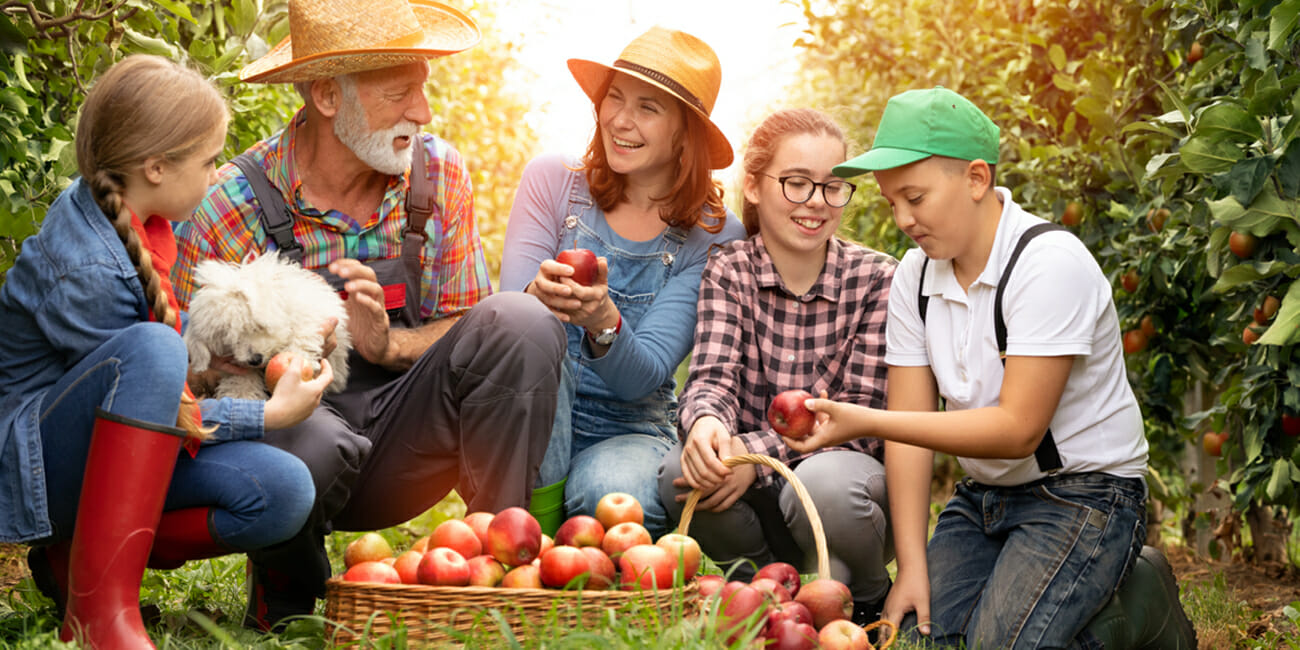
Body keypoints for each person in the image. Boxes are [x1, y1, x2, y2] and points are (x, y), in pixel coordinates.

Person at [169, 0, 565, 631]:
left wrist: (388, 348)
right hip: (295, 444)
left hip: (405, 441)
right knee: (309, 439)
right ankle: (288, 601)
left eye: (424, 92)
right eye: (398, 94)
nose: (424, 114)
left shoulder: (435, 175)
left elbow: (469, 320)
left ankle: (492, 573)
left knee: (521, 320)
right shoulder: (234, 204)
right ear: (328, 95)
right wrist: (275, 365)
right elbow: (185, 374)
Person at [791, 87, 1197, 648]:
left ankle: (1143, 602)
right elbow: (911, 431)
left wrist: (864, 420)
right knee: (915, 640)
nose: (903, 219)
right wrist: (912, 567)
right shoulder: (916, 277)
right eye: (891, 203)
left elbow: (1016, 430)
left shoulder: (1048, 265)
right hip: (983, 498)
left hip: (1083, 494)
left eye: (915, 197)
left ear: (977, 179)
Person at [0, 55, 321, 649]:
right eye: (207, 161)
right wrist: (268, 415)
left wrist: (210, 367)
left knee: (283, 492)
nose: (218, 172)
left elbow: (147, 402)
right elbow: (153, 393)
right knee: (151, 347)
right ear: (154, 167)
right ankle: (101, 611)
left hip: (109, 451)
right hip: (40, 464)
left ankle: (78, 560)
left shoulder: (139, 222)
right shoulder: (89, 266)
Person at [499, 26, 745, 539]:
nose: (619, 120)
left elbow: (647, 373)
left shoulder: (713, 237)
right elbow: (507, 323)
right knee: (528, 325)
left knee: (607, 496)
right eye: (614, 98)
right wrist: (535, 296)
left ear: (686, 132)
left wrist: (602, 319)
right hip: (533, 408)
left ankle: (551, 534)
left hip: (630, 425)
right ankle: (537, 545)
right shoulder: (552, 182)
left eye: (648, 108)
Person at [657, 108, 896, 624]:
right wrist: (708, 427)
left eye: (833, 187)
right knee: (682, 473)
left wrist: (753, 451)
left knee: (824, 483)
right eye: (795, 183)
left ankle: (870, 597)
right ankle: (762, 593)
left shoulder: (877, 279)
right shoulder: (729, 268)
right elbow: (712, 377)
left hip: (843, 492)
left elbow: (860, 416)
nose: (816, 202)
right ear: (756, 185)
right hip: (754, 495)